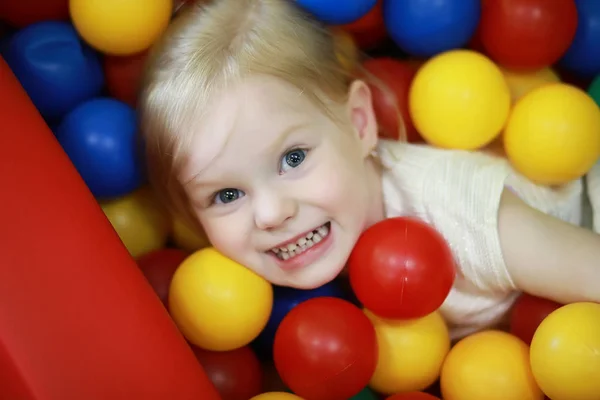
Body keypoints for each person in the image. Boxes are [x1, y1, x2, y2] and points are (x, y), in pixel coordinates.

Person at [138, 0, 600, 338]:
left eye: (293, 159)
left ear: (359, 123)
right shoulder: (247, 283)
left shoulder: (460, 211)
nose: (271, 213)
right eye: (226, 195)